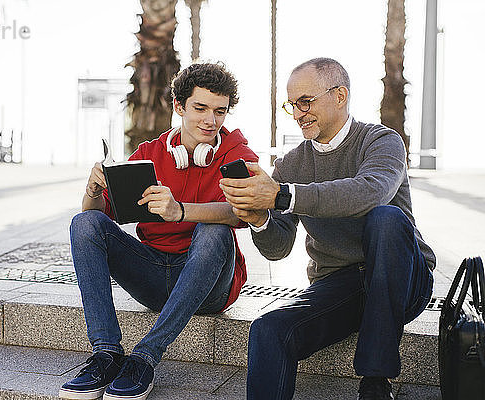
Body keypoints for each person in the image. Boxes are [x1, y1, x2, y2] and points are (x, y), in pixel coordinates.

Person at [219, 57, 436, 400]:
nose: (298, 113)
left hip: (404, 278)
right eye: (292, 105)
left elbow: (369, 192)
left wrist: (283, 194)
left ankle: (375, 383)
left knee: (386, 218)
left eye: (306, 102)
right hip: (341, 286)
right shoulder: (291, 163)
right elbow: (278, 248)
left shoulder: (382, 141)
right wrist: (259, 217)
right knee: (267, 329)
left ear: (340, 96)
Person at [59, 62, 258, 400]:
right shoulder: (149, 154)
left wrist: (179, 210)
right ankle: (106, 354)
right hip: (152, 277)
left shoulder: (236, 155)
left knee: (215, 231)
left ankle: (145, 357)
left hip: (209, 286)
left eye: (220, 111)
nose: (211, 121)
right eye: (200, 108)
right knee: (84, 223)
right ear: (179, 106)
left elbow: (244, 211)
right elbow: (96, 220)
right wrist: (93, 190)